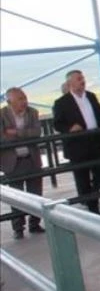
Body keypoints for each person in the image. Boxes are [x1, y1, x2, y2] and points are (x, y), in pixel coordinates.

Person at [52, 70, 100, 215]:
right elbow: (57, 124)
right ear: (70, 83)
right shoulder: (61, 102)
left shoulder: (91, 96)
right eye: (79, 79)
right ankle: (92, 209)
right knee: (83, 178)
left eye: (83, 78)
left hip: (97, 143)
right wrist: (70, 128)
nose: (82, 81)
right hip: (78, 147)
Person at [1, 88, 45, 239]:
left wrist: (16, 133)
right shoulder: (1, 115)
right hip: (13, 162)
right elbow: (2, 137)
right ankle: (18, 228)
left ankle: (35, 223)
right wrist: (25, 134)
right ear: (9, 102)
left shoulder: (32, 112)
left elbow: (36, 132)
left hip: (32, 159)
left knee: (36, 194)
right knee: (16, 197)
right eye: (20, 99)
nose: (24, 101)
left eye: (24, 98)